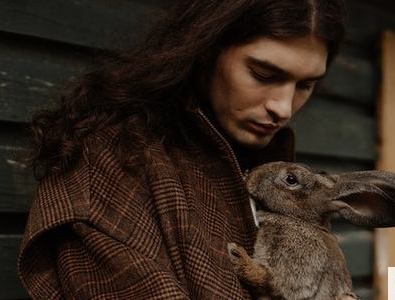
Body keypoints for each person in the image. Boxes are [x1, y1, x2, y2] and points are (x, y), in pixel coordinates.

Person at [18, 0, 346, 299]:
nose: (284, 108)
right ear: (207, 50)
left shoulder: (269, 169)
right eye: (263, 74)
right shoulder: (114, 165)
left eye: (305, 85)